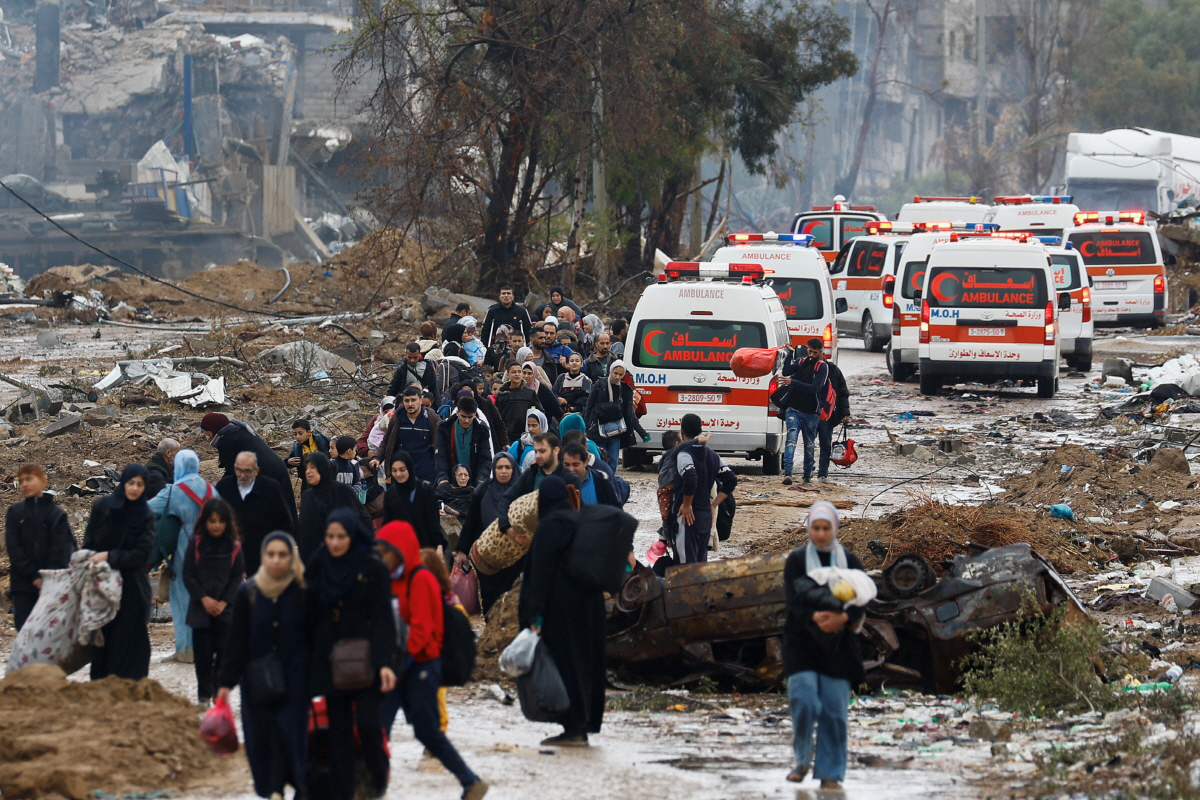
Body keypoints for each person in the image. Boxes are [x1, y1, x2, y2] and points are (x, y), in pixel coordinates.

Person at [376, 522, 489, 800]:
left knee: (427, 731)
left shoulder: (421, 579)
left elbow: (423, 630)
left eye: (385, 549)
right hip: (398, 666)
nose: (379, 554)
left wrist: (396, 663)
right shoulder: (390, 579)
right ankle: (368, 787)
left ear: (399, 550)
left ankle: (470, 781)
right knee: (377, 729)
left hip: (422, 666)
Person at [305, 508, 397, 800]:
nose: (334, 543)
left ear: (352, 534)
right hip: (330, 662)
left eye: (340, 537)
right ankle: (344, 792)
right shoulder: (319, 563)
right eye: (329, 536)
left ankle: (378, 782)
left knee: (370, 726)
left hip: (366, 661)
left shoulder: (372, 567)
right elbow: (308, 613)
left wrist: (385, 663)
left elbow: (384, 618)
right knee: (339, 735)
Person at [218, 532, 310, 800]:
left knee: (289, 734)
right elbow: (237, 641)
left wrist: (318, 680)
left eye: (282, 555)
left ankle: (294, 788)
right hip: (257, 682)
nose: (277, 560)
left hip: (295, 680)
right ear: (262, 557)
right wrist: (225, 683)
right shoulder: (250, 592)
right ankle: (272, 790)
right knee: (262, 740)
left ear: (291, 558)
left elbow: (316, 638)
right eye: (271, 555)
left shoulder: (303, 591)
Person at [783, 502, 865, 789]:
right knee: (804, 700)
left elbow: (862, 600)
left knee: (834, 711)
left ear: (834, 529)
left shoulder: (850, 562)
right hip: (801, 642)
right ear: (809, 529)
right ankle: (802, 760)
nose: (820, 534)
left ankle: (830, 774)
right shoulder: (797, 560)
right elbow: (792, 602)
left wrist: (843, 617)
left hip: (839, 645)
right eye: (815, 528)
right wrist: (815, 616)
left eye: (825, 528)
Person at [518, 476, 605, 746]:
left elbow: (540, 575)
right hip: (591, 606)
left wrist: (535, 616)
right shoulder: (581, 520)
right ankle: (586, 722)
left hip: (562, 610)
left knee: (565, 666)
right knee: (588, 665)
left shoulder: (549, 526)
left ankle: (573, 728)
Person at [84, 464, 156, 680]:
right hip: (102, 586)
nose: (134, 489)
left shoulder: (145, 514)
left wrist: (109, 556)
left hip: (131, 588)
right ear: (123, 482)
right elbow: (89, 542)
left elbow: (142, 554)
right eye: (131, 483)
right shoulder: (103, 507)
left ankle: (129, 694)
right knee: (103, 638)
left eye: (140, 485)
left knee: (129, 641)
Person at [148, 448, 215, 665]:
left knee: (183, 598)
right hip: (212, 550)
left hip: (187, 549)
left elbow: (147, 509)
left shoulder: (175, 491)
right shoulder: (210, 489)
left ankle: (186, 650)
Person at [183, 498, 246, 705]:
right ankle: (203, 697)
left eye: (221, 521)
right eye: (212, 521)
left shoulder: (234, 546)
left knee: (224, 656)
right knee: (202, 657)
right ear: (205, 523)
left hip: (226, 612)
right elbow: (188, 575)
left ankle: (220, 696)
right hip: (201, 610)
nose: (217, 525)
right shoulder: (197, 544)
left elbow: (238, 577)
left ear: (227, 522)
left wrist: (224, 603)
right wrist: (204, 599)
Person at [5, 463, 75, 631]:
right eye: (21, 481)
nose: (25, 484)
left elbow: (60, 550)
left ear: (43, 481)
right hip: (23, 585)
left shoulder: (56, 514)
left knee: (51, 635)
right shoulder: (15, 513)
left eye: (29, 479)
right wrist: (33, 576)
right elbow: (14, 548)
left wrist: (47, 579)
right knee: (26, 633)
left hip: (53, 586)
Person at [455, 452, 520, 617]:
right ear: (494, 469)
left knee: (510, 594)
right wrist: (463, 550)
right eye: (499, 467)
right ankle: (491, 630)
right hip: (486, 554)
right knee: (489, 595)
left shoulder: (521, 492)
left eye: (507, 467)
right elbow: (472, 522)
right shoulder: (482, 491)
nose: (503, 471)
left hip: (514, 555)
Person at [216, 452, 296, 576]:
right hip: (231, 560)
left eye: (247, 471)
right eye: (238, 470)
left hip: (263, 559)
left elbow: (284, 523)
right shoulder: (224, 487)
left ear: (256, 470)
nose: (242, 475)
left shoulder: (271, 489)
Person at [672, 414, 736, 564]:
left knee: (685, 565)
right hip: (705, 516)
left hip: (687, 517)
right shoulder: (712, 455)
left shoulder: (684, 454)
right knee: (700, 564)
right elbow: (731, 480)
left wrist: (687, 504)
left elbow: (690, 477)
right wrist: (713, 505)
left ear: (682, 432)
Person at [202, 413, 295, 512]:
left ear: (213, 428)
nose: (207, 435)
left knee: (271, 510)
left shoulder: (227, 439)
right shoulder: (236, 429)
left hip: (266, 471)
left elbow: (232, 472)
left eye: (207, 431)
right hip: (276, 466)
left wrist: (217, 492)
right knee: (283, 506)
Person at [296, 452, 372, 562]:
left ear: (323, 469)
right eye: (306, 468)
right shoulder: (308, 497)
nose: (308, 472)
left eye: (313, 467)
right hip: (315, 561)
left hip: (345, 557)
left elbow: (364, 519)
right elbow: (304, 533)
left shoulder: (342, 491)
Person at [497, 433, 573, 538]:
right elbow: (507, 498)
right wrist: (507, 527)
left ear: (556, 451)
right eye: (536, 451)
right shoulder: (531, 474)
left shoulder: (569, 478)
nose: (537, 456)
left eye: (542, 451)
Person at [780, 338, 831, 485]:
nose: (812, 355)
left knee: (809, 445)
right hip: (794, 409)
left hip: (811, 412)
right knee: (791, 441)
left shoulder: (822, 367)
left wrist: (793, 382)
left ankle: (807, 474)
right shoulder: (802, 361)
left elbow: (814, 388)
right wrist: (790, 354)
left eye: (815, 353)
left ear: (820, 352)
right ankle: (788, 473)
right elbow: (786, 371)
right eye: (810, 351)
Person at [584, 360, 649, 470]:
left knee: (613, 460)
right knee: (600, 459)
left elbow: (629, 414)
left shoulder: (625, 390)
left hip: (616, 431)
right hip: (598, 429)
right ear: (611, 371)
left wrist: (642, 433)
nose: (617, 377)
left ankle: (611, 482)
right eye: (615, 373)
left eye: (620, 374)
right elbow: (589, 407)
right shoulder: (599, 385)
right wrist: (585, 427)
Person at [383, 451, 445, 550]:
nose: (398, 474)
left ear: (409, 468)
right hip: (401, 551)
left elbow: (433, 523)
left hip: (425, 550)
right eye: (394, 471)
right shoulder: (390, 494)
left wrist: (439, 546)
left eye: (402, 470)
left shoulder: (425, 489)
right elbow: (388, 524)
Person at [379, 385, 440, 485]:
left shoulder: (431, 419)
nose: (410, 404)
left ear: (420, 401)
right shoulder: (397, 419)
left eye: (413, 400)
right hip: (401, 474)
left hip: (426, 475)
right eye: (406, 401)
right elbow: (386, 442)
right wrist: (377, 458)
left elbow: (441, 446)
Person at [435, 396, 493, 487]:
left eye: (470, 417)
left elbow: (485, 458)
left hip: (474, 480)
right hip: (450, 480)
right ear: (457, 413)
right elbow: (440, 456)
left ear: (475, 414)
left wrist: (482, 479)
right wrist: (443, 478)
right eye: (463, 416)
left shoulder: (481, 429)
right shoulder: (444, 428)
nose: (466, 420)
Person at [817, 359, 851, 483]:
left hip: (827, 415)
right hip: (810, 414)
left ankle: (822, 474)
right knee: (808, 444)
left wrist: (845, 413)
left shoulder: (833, 370)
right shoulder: (807, 367)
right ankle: (808, 471)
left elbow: (843, 393)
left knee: (825, 445)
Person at [561, 442, 621, 507]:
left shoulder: (601, 481)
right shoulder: (557, 483)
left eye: (575, 465)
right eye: (567, 465)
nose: (571, 469)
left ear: (585, 462)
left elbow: (616, 511)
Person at [494, 364, 543, 441]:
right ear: (508, 375)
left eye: (519, 372)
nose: (517, 374)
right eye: (513, 372)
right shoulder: (502, 394)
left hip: (525, 435)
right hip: (506, 436)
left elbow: (540, 412)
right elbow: (496, 417)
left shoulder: (529, 393)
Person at [289, 419, 330, 493]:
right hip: (308, 482)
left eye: (300, 433)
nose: (297, 437)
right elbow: (288, 461)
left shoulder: (321, 441)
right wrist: (289, 462)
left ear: (309, 432)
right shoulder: (297, 448)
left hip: (326, 479)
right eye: (295, 434)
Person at [523, 361, 562, 427]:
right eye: (524, 373)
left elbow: (554, 406)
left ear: (534, 374)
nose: (526, 376)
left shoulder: (541, 388)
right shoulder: (517, 388)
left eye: (529, 373)